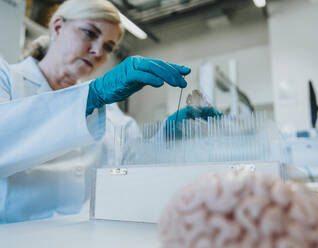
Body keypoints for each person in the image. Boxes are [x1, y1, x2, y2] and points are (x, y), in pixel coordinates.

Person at [0, 0, 195, 223]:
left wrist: (166, 138)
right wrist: (90, 97)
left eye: (108, 47)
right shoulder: (6, 77)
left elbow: (133, 164)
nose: (97, 52)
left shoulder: (109, 109)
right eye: (90, 33)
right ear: (57, 27)